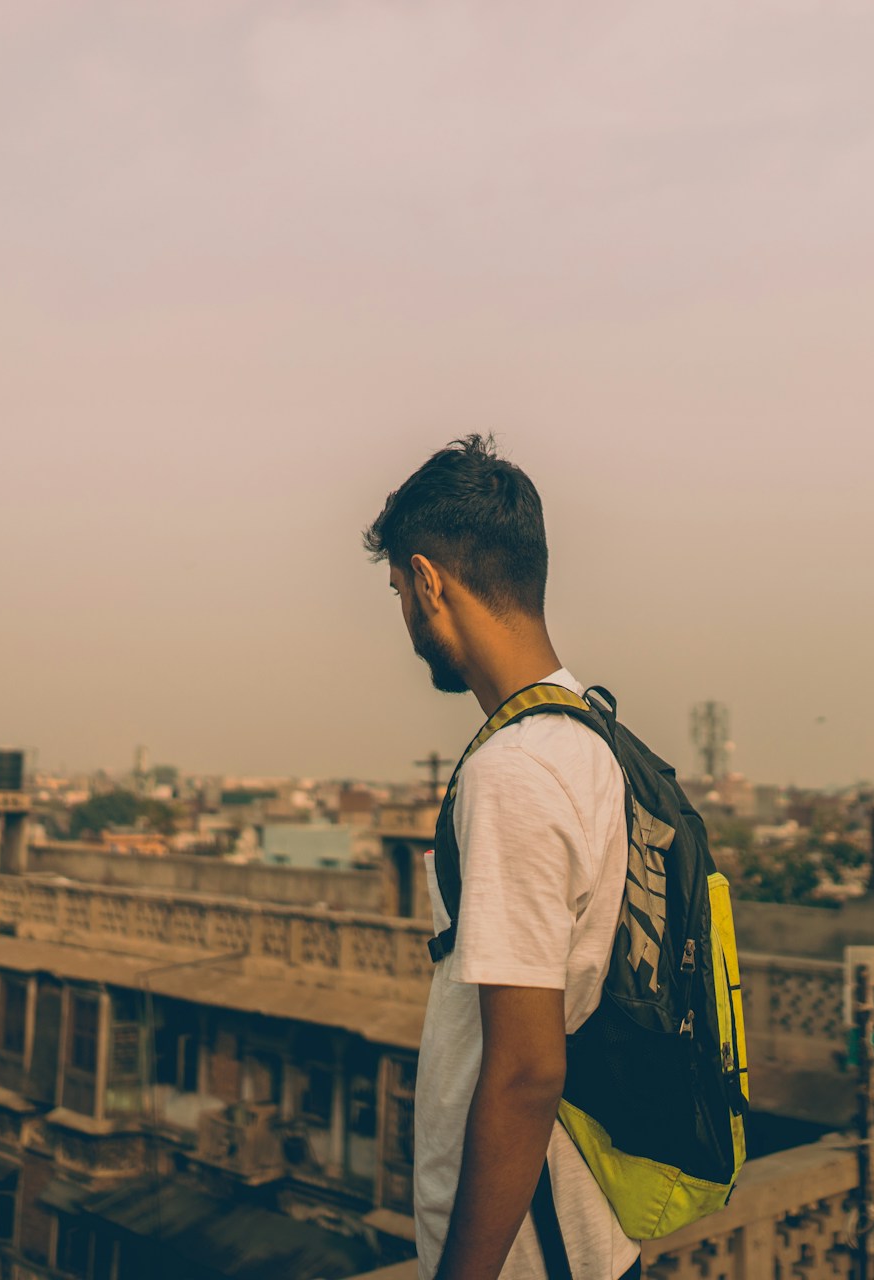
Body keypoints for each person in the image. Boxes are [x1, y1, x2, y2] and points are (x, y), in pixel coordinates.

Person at [364, 436, 640, 1280]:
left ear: (429, 581)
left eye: (398, 592)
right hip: (588, 1238)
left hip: (534, 1257)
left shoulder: (515, 771)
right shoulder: (590, 729)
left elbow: (525, 1069)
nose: (405, 614)